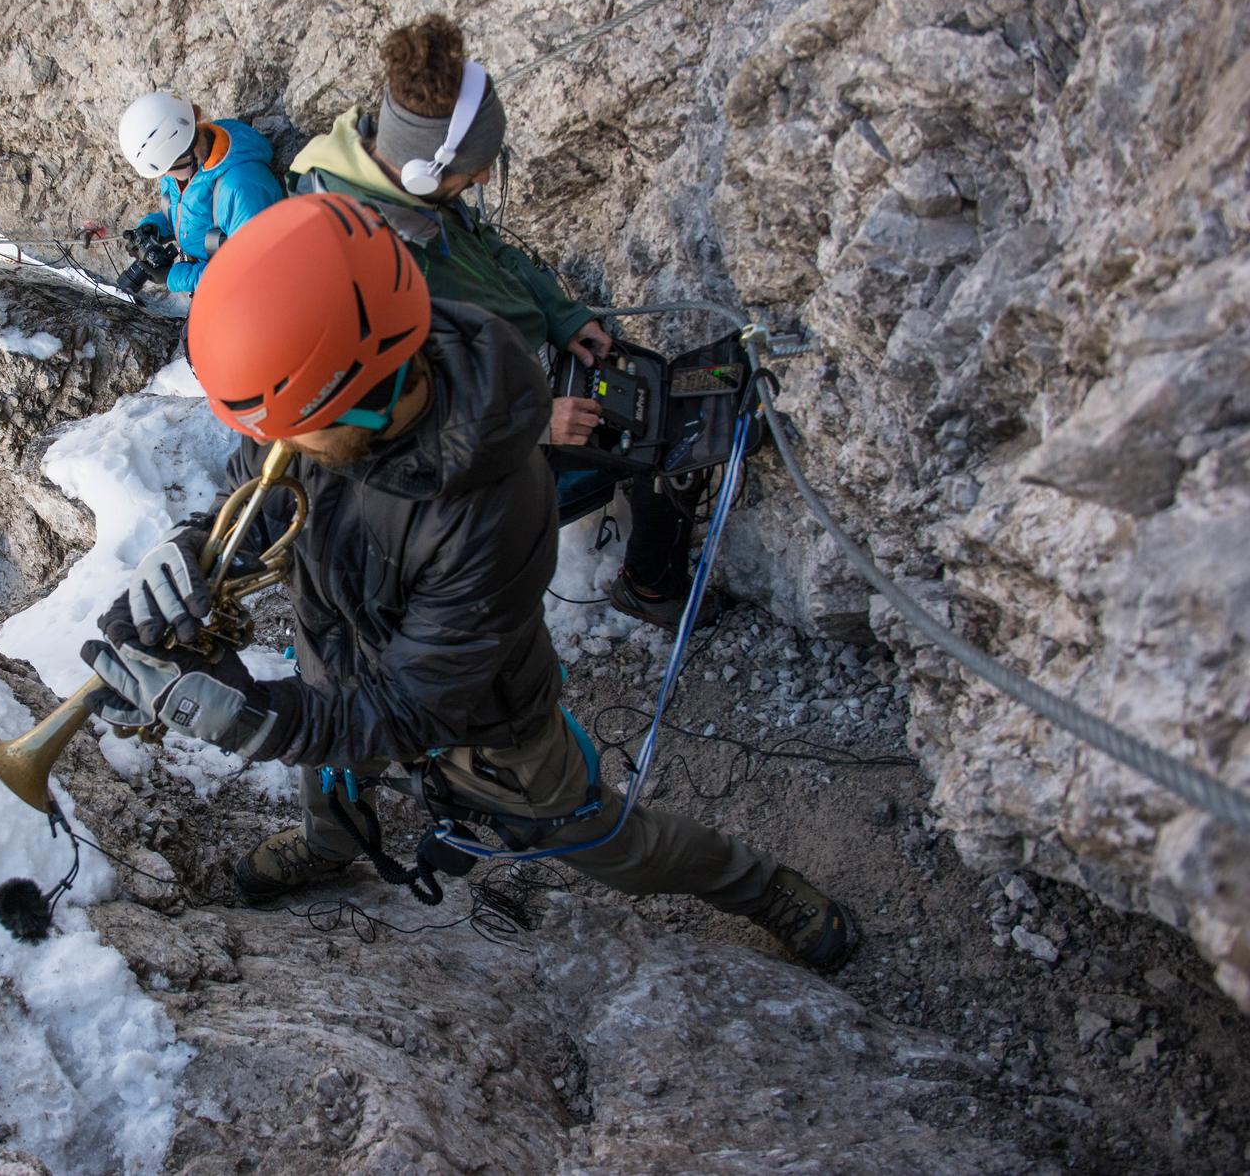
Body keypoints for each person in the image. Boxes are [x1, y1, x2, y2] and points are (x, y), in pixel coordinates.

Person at [79, 194, 858, 972]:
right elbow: (266, 496)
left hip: (484, 721)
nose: (277, 447)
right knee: (333, 774)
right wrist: (189, 564)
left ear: (372, 392)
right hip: (339, 665)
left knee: (601, 837)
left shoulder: (495, 506)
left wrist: (257, 722)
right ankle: (331, 843)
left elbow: (414, 709)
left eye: (292, 429)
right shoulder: (333, 395)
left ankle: (757, 886)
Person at [291, 16, 709, 630]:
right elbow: (400, 430)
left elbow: (493, 250)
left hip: (524, 370)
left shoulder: (408, 187)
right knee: (670, 445)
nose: (484, 177)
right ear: (424, 171)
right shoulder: (360, 267)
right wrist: (538, 425)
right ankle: (651, 588)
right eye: (475, 168)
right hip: (492, 432)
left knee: (655, 397)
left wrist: (563, 317)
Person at [113, 91, 285, 294]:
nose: (162, 177)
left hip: (248, 297)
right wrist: (154, 228)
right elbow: (191, 213)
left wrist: (174, 276)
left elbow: (250, 272)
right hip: (213, 287)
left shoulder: (242, 187)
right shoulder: (187, 171)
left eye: (167, 167)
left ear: (186, 152)